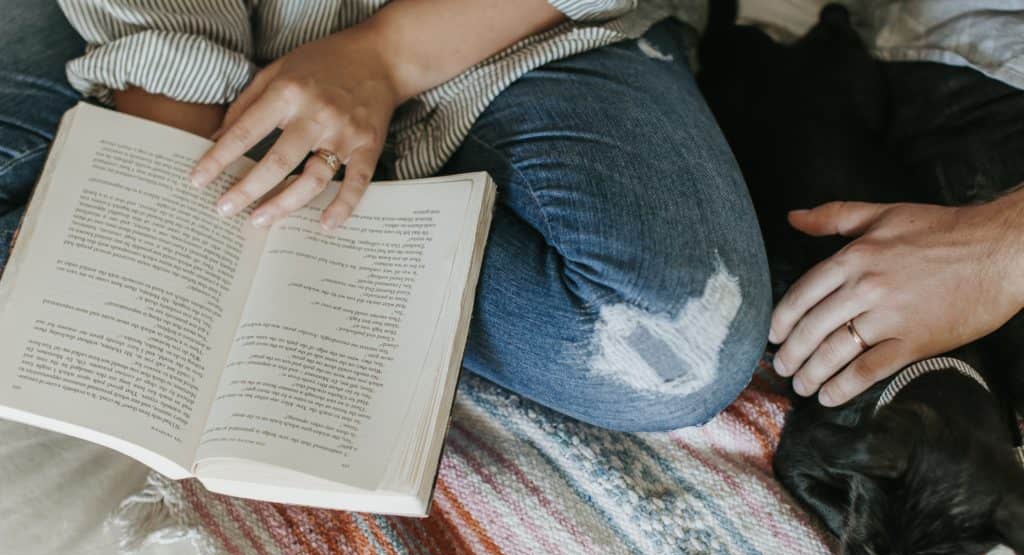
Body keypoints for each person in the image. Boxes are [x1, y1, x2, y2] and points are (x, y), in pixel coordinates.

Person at [2, 0, 772, 432]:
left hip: (514, 25)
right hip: (147, 18)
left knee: (669, 346)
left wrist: (383, 59)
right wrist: (170, 156)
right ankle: (302, 190)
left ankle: (319, 204)